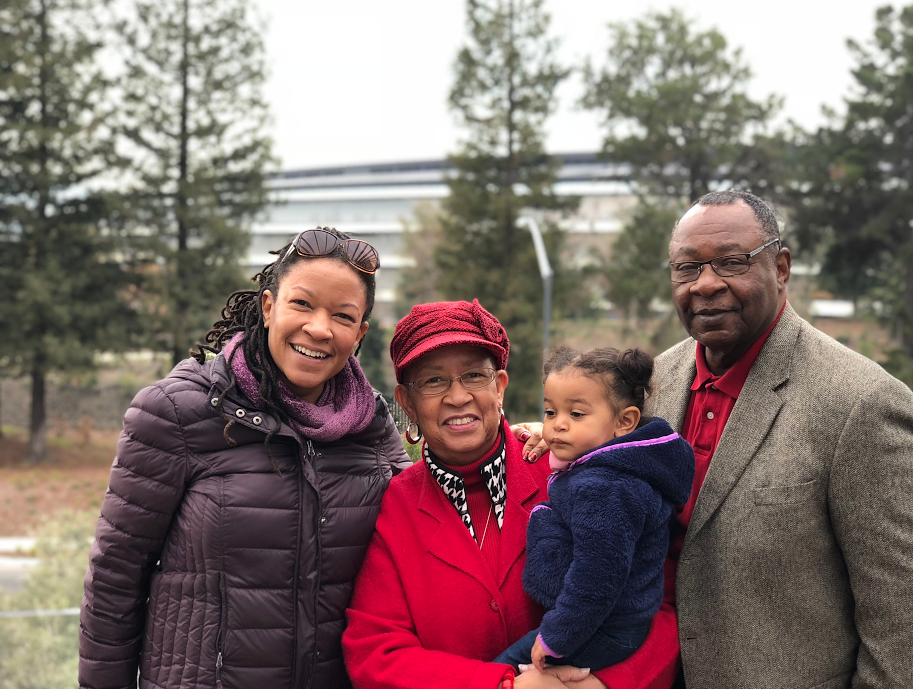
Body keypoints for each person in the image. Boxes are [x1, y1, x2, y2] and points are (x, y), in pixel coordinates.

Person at [522, 191, 913, 688]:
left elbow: (905, 613)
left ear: (781, 267)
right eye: (687, 268)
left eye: (731, 262)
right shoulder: (653, 381)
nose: (705, 284)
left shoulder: (862, 403)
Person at [78, 227, 411, 689]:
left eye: (342, 315)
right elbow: (116, 577)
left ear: (359, 333)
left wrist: (531, 446)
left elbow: (425, 519)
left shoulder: (368, 420)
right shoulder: (178, 411)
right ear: (269, 306)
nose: (319, 328)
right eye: (302, 304)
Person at [342, 300, 683, 689]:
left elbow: (661, 604)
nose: (457, 397)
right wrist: (504, 685)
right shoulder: (399, 504)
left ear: (500, 386)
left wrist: (605, 685)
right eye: (433, 381)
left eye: (474, 376)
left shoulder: (578, 473)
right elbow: (375, 652)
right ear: (407, 403)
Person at [495, 347, 694, 674]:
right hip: (611, 622)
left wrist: (556, 637)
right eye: (550, 412)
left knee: (503, 671)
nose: (558, 425)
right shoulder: (618, 468)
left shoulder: (606, 489)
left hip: (604, 627)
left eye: (576, 414)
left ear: (624, 421)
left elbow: (597, 577)